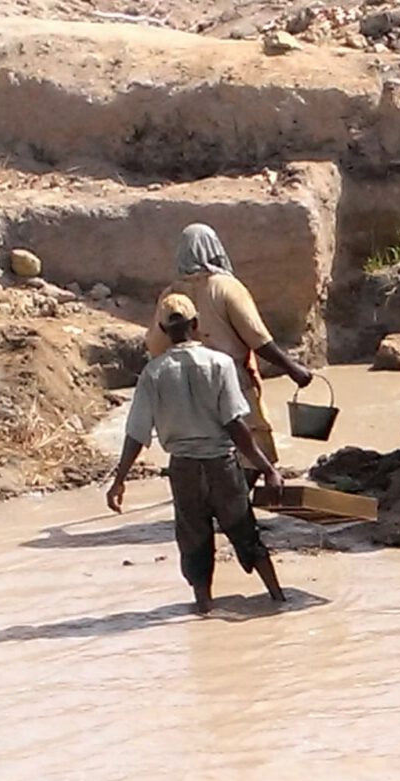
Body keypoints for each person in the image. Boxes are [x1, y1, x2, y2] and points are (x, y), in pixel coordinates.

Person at [107, 294, 288, 615]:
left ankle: (204, 609)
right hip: (222, 465)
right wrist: (268, 469)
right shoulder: (219, 364)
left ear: (162, 329)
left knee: (194, 542)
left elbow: (136, 433)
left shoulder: (154, 373)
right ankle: (278, 599)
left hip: (184, 471)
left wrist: (119, 481)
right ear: (196, 324)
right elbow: (235, 425)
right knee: (245, 532)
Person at [144, 223, 315, 476]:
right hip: (229, 376)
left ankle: (214, 501)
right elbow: (257, 337)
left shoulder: (171, 295)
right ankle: (238, 502)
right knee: (251, 441)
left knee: (204, 444)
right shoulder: (225, 287)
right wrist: (292, 369)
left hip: (185, 383)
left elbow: (155, 345)